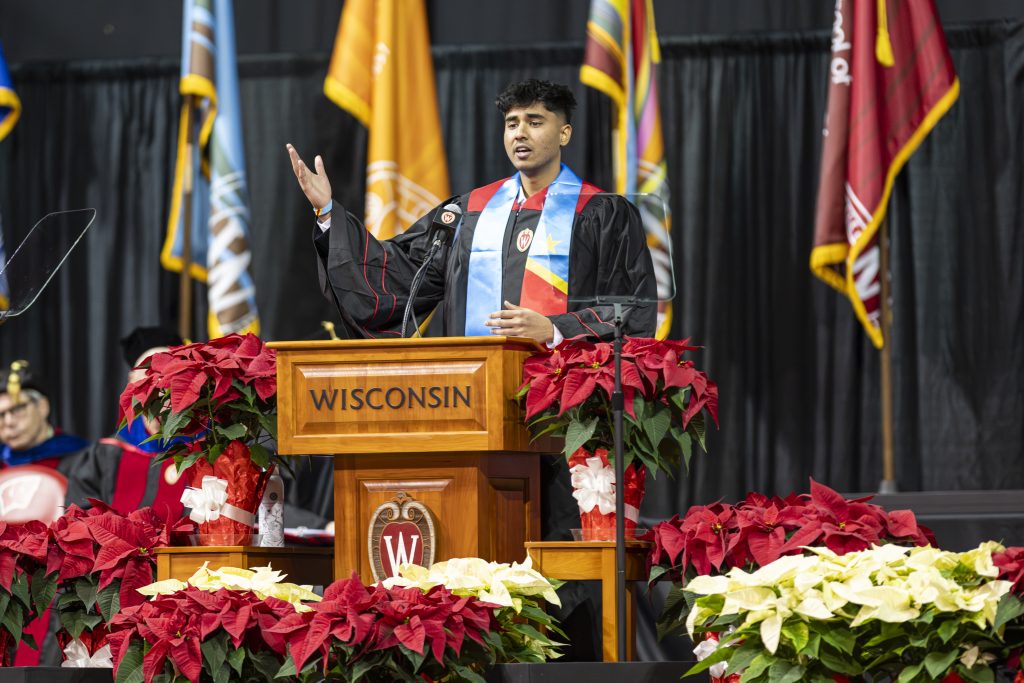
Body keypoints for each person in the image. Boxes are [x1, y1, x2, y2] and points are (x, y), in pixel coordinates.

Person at [287, 78, 657, 342]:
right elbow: (400, 275)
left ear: (565, 134)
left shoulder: (603, 214)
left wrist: (555, 328)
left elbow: (632, 310)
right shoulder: (469, 213)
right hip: (473, 396)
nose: (520, 133)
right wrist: (328, 213)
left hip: (565, 405)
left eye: (535, 122)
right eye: (512, 124)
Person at [60, 326, 192, 516]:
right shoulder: (105, 454)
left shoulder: (207, 449)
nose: (161, 383)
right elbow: (78, 521)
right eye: (150, 373)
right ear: (132, 382)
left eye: (171, 372)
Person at [0, 361, 87, 472]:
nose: (9, 422)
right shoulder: (3, 460)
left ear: (42, 407)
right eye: (1, 415)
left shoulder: (82, 458)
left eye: (17, 409)